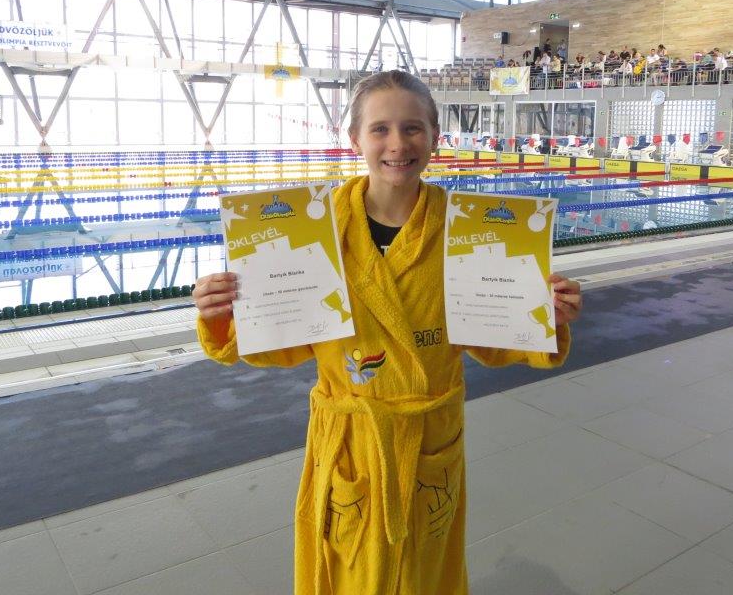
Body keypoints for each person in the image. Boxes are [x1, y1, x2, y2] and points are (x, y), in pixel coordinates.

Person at [193, 70, 580, 595]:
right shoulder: (314, 226)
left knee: (427, 573)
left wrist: (544, 318)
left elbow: (493, 338)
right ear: (355, 139)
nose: (398, 144)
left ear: (435, 137)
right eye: (380, 129)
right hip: (352, 445)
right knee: (348, 573)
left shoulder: (468, 229)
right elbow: (282, 339)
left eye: (413, 128)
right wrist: (225, 311)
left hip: (427, 444)